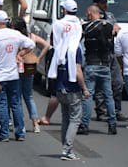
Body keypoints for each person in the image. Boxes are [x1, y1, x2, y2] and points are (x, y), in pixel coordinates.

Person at [0, 10, 34, 141]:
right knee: (16, 103)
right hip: (13, 75)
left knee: (1, 104)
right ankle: (20, 132)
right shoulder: (15, 34)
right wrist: (21, 54)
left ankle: (4, 133)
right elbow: (31, 44)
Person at [80, 4, 118, 135]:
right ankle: (112, 124)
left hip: (91, 63)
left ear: (90, 13)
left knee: (88, 95)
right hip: (105, 64)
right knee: (108, 95)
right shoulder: (108, 26)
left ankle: (84, 125)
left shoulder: (87, 27)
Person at [55, 26, 89, 162]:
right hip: (72, 88)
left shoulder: (60, 47)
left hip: (59, 87)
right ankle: (67, 150)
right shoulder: (76, 49)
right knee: (75, 119)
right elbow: (77, 71)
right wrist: (85, 88)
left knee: (65, 119)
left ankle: (65, 147)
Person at [12, 19, 49, 134]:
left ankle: (21, 124)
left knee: (17, 97)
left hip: (17, 68)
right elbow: (46, 45)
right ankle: (35, 123)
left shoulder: (15, 37)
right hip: (30, 67)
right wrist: (38, 58)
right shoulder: (31, 36)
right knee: (28, 96)